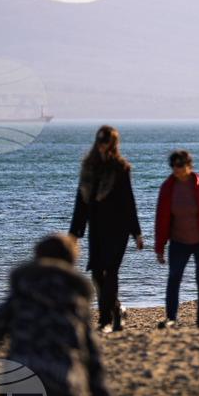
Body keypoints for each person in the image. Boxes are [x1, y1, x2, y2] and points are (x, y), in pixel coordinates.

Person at [0, 233, 120, 396]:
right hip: (57, 376)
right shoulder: (75, 300)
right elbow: (91, 353)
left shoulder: (22, 293)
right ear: (70, 261)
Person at [69, 125, 143, 334]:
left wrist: (136, 233)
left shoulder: (120, 169)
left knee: (110, 272)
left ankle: (105, 320)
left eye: (105, 141)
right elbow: (80, 203)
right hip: (97, 229)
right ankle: (118, 310)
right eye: (98, 140)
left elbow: (129, 203)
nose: (101, 144)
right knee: (96, 274)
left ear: (112, 143)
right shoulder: (89, 169)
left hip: (118, 230)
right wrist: (74, 234)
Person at [154, 149, 199, 329]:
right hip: (178, 242)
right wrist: (159, 247)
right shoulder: (168, 187)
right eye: (173, 165)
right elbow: (161, 219)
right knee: (174, 279)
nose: (176, 169)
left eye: (179, 165)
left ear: (189, 165)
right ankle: (171, 319)